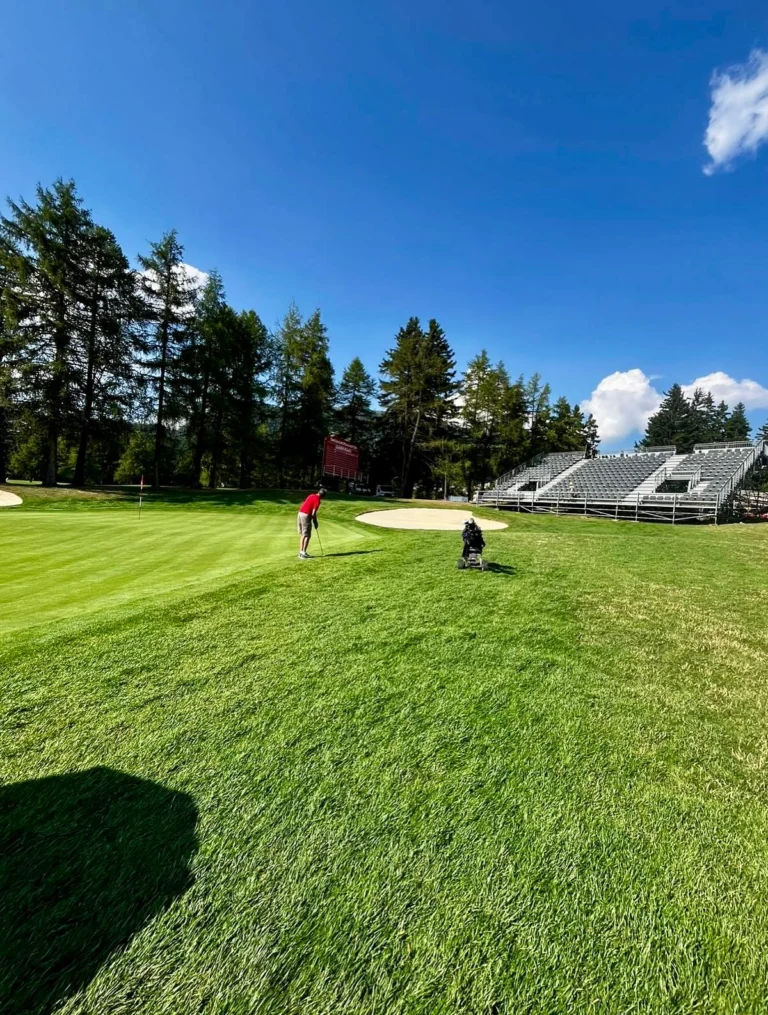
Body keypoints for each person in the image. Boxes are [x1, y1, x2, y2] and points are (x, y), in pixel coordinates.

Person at [297, 487, 326, 559]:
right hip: (306, 515)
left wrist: (313, 520)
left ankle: (301, 552)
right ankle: (303, 553)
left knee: (303, 534)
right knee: (307, 535)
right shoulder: (318, 500)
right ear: (323, 496)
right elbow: (313, 513)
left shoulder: (311, 495)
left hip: (300, 513)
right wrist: (315, 522)